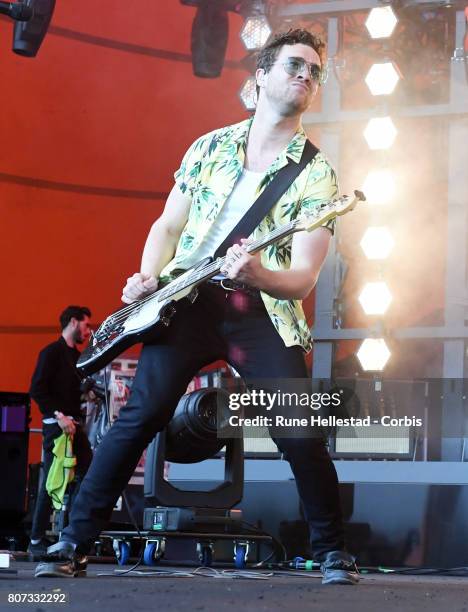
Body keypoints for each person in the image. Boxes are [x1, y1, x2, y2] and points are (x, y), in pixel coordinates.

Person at [36, 29, 359, 584]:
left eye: (313, 71)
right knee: (138, 417)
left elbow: (303, 279)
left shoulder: (317, 174)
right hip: (184, 300)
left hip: (260, 307)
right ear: (259, 77)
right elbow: (167, 225)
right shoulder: (208, 147)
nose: (305, 76)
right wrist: (147, 277)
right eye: (293, 65)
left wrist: (257, 272)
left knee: (297, 429)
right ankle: (73, 541)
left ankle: (332, 551)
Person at [28, 306, 93, 558]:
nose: (88, 331)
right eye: (86, 325)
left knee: (88, 472)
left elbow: (70, 391)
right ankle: (35, 540)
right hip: (57, 427)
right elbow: (37, 389)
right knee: (52, 481)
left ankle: (70, 531)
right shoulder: (51, 353)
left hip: (74, 425)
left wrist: (86, 394)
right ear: (73, 322)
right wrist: (59, 415)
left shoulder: (76, 358)